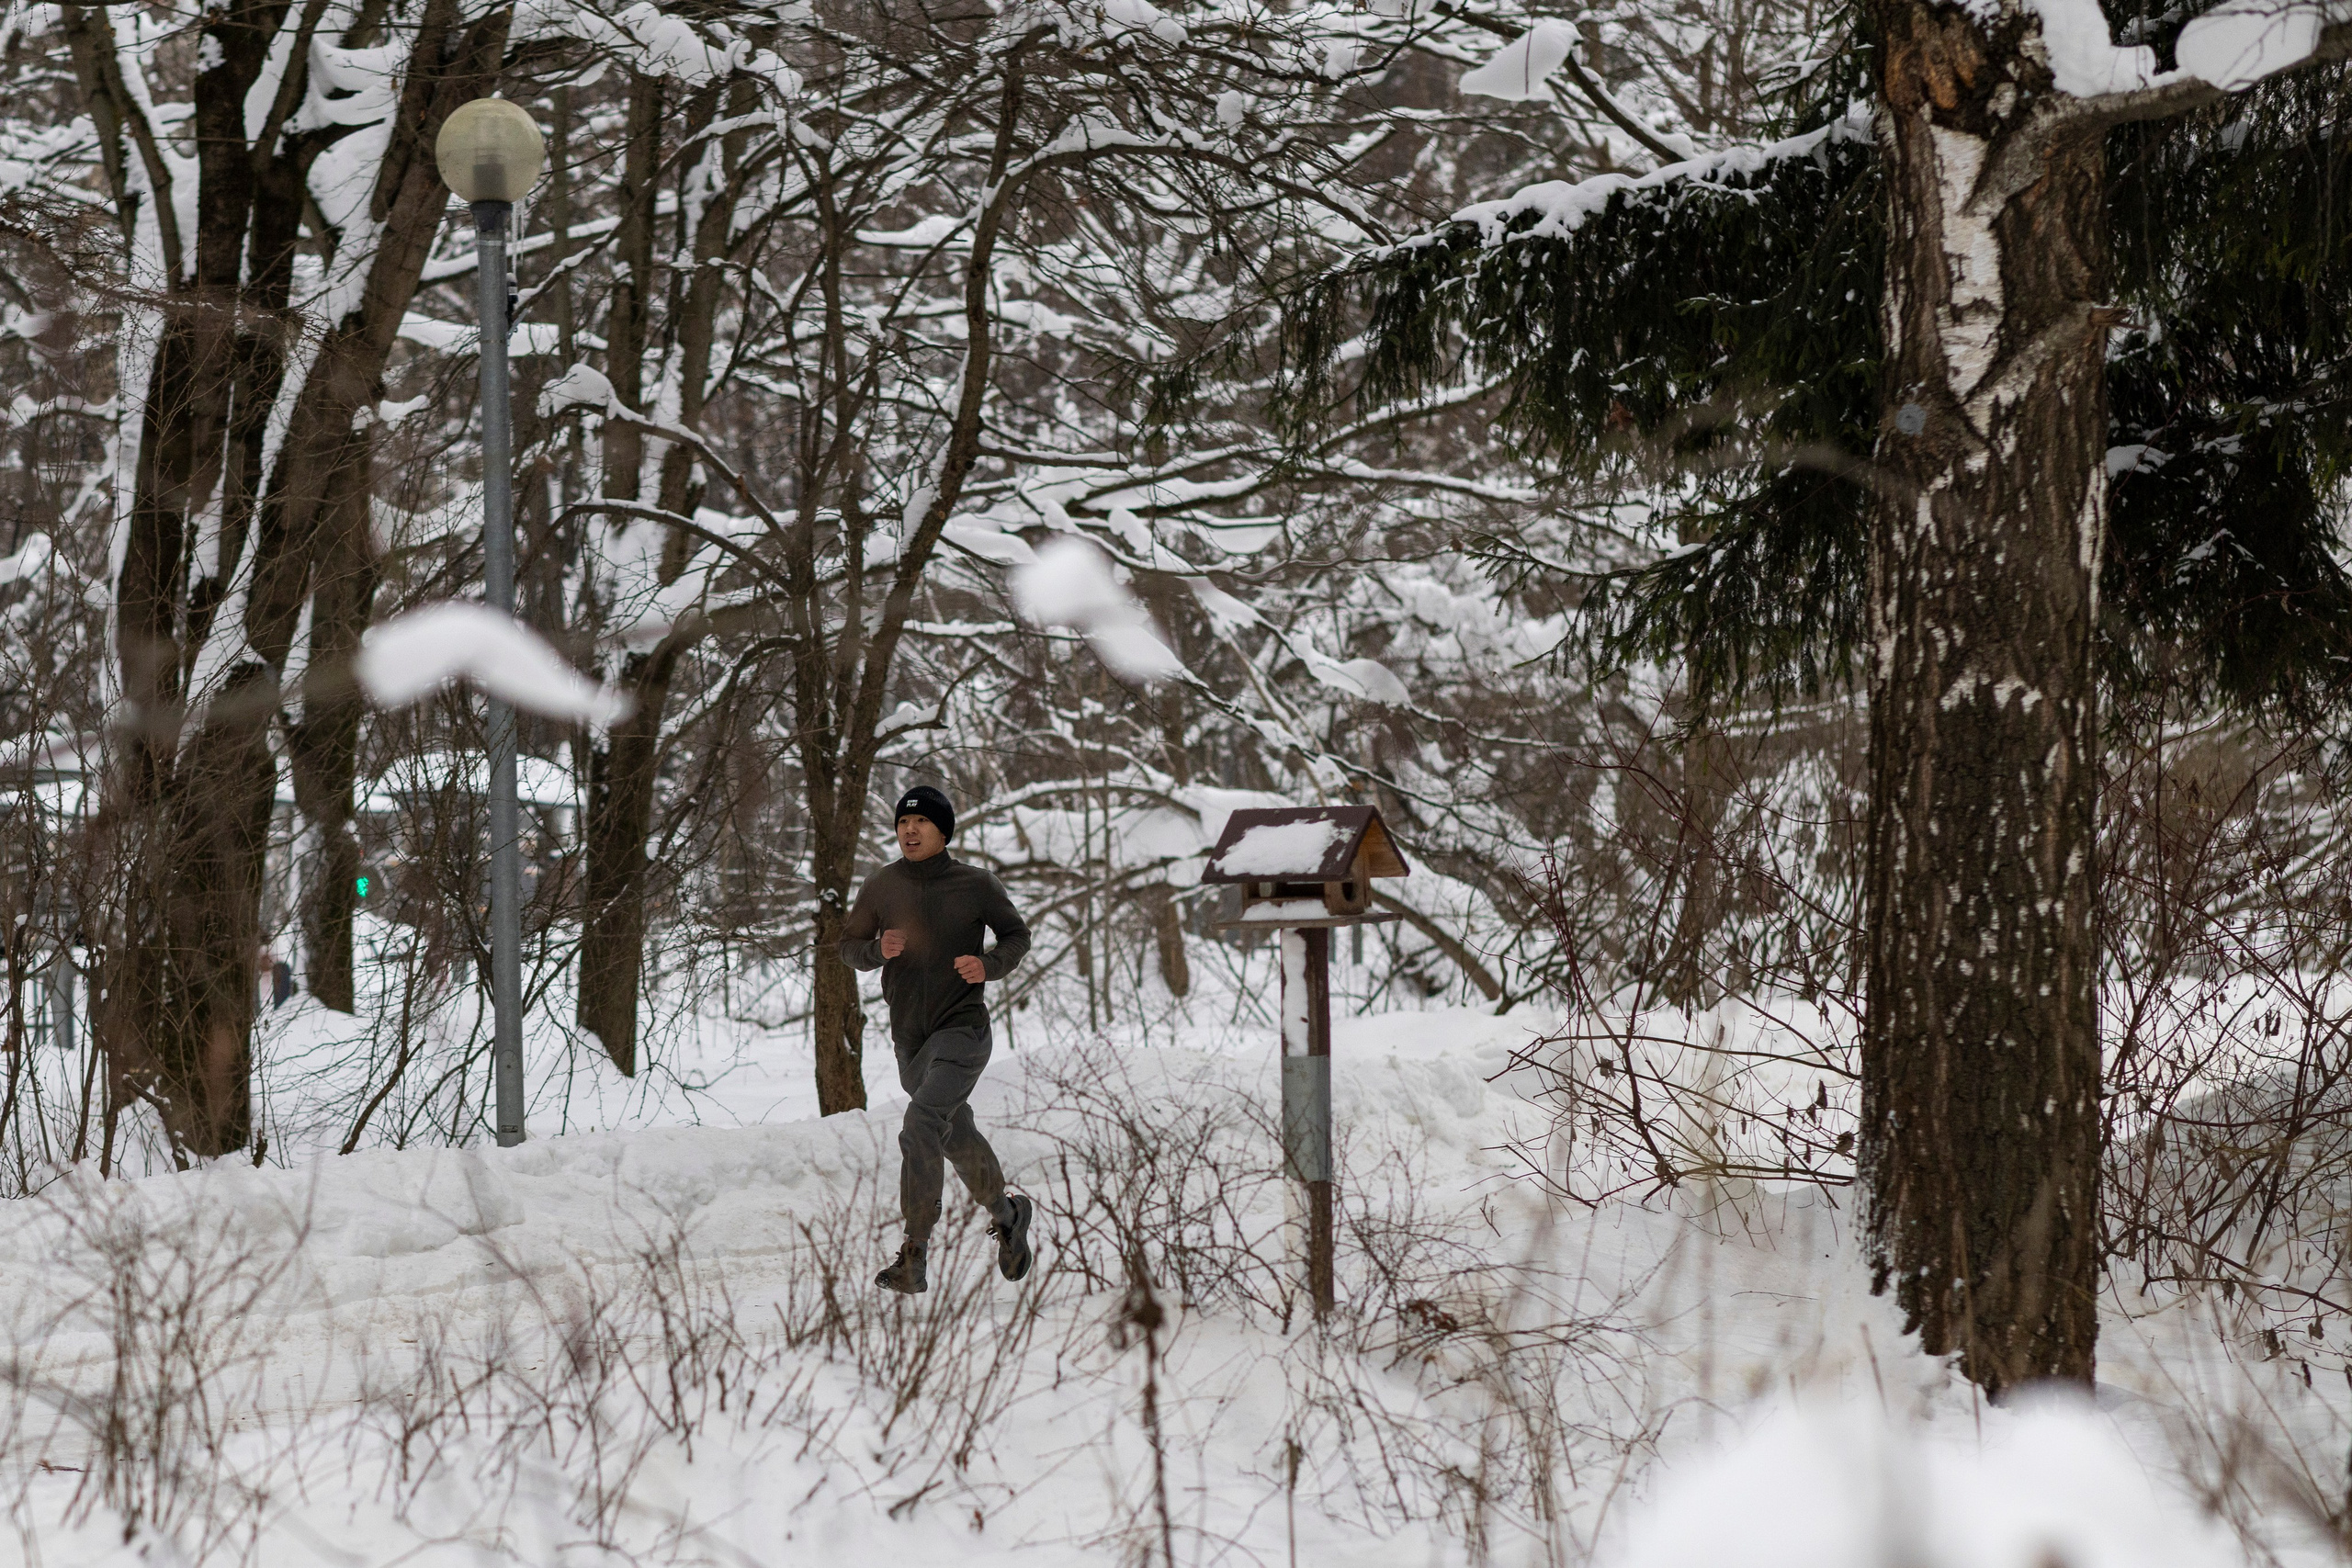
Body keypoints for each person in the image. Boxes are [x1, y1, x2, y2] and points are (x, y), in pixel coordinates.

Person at [841, 784, 1036, 1293]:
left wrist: (989, 965)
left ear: (943, 831)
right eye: (904, 822)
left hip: (963, 1032)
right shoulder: (882, 886)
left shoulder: (974, 884)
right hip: (910, 1041)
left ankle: (914, 1254)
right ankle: (1008, 1213)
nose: (909, 829)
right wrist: (877, 950)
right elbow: (847, 947)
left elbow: (1017, 935)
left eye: (922, 822)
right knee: (954, 1134)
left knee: (921, 1124)